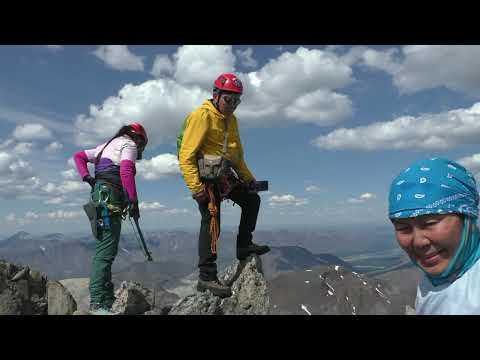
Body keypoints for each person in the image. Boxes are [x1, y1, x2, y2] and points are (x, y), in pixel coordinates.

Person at [178, 73, 270, 298]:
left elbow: (236, 156)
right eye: (229, 100)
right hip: (206, 178)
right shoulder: (201, 116)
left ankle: (244, 246)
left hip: (224, 173)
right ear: (216, 95)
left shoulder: (232, 121)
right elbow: (186, 155)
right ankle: (206, 277)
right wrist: (195, 188)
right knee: (212, 220)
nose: (233, 106)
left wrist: (249, 181)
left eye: (237, 101)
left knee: (252, 199)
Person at [388, 157, 480, 314]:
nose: (418, 242)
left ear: (467, 219)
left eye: (429, 223)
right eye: (403, 228)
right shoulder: (434, 280)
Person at [73, 122, 148, 315]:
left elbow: (79, 156)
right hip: (110, 199)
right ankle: (98, 303)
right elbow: (126, 171)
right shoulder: (128, 145)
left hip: (100, 198)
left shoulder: (104, 146)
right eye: (142, 145)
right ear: (138, 138)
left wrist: (87, 178)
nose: (139, 149)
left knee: (105, 247)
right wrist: (133, 199)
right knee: (106, 251)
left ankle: (105, 297)